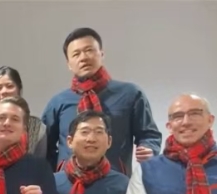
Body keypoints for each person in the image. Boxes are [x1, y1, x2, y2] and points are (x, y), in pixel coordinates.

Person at [42, 27, 162, 176]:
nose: (83, 58)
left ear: (102, 54)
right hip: (68, 183)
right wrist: (58, 171)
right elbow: (44, 146)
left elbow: (149, 134)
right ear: (69, 63)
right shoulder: (58, 102)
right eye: (76, 54)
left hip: (115, 181)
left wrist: (149, 148)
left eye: (89, 50)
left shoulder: (130, 94)